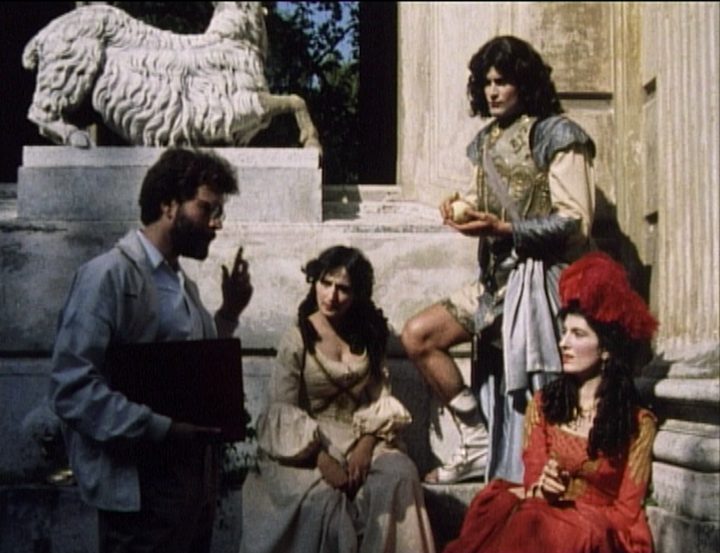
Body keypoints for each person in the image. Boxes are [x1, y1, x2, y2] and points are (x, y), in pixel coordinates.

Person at [401, 35, 597, 484]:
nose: (492, 91)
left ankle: (553, 471)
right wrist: (459, 209)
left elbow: (576, 223)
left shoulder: (558, 135)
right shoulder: (485, 142)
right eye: (486, 82)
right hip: (494, 285)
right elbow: (482, 200)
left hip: (545, 284)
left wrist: (505, 229)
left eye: (502, 81)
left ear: (524, 84)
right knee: (418, 336)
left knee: (547, 394)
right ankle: (476, 441)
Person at [49, 148, 253, 553]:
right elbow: (71, 388)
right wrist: (163, 429)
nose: (216, 223)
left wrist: (229, 312)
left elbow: (193, 372)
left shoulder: (182, 286)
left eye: (219, 212)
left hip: (193, 495)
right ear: (168, 205)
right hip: (140, 496)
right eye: (206, 208)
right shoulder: (107, 276)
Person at [443, 251, 659, 553]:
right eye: (564, 332)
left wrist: (576, 517)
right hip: (542, 517)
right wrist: (544, 486)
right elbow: (533, 479)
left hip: (595, 533)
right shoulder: (545, 405)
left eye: (577, 334)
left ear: (606, 350)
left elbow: (626, 511)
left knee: (546, 527)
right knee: (508, 509)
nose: (563, 343)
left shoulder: (637, 423)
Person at [239, 246, 436, 553]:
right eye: (325, 283)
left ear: (357, 294)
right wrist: (322, 460)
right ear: (314, 282)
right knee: (323, 504)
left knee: (400, 475)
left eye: (343, 289)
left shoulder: (368, 335)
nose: (331, 296)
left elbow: (381, 399)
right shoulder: (298, 337)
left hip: (361, 437)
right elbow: (281, 410)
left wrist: (366, 446)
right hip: (306, 446)